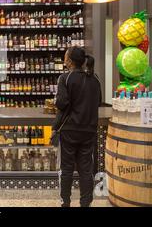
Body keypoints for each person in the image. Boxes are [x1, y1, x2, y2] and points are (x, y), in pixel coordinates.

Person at [53, 46, 102, 207]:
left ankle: (65, 202)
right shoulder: (94, 78)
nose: (64, 60)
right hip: (89, 130)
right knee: (86, 170)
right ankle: (85, 203)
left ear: (71, 61)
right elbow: (98, 102)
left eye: (65, 57)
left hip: (69, 130)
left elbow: (61, 103)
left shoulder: (65, 78)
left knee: (66, 169)